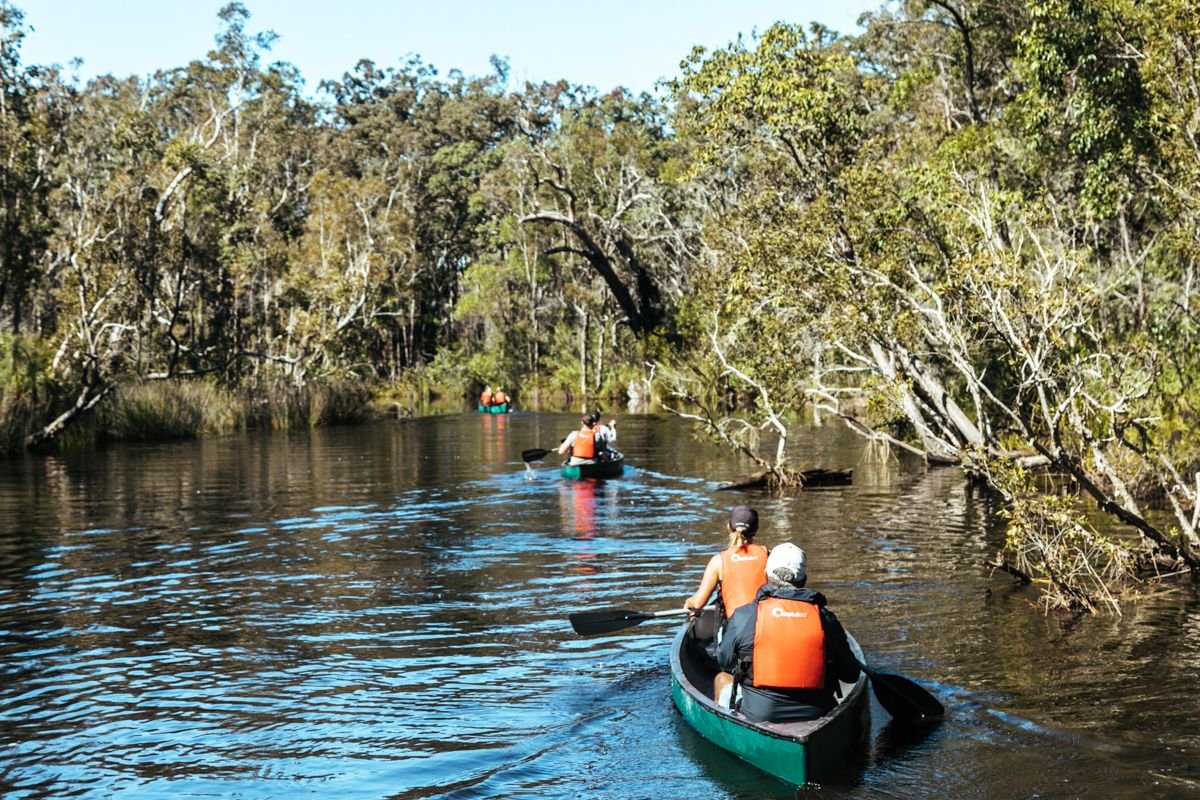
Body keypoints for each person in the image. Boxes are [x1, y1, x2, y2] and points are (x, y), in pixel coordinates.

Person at [714, 542, 861, 722]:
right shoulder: (826, 619)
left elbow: (724, 661)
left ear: (766, 575)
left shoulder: (743, 616)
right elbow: (851, 674)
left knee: (721, 679)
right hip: (818, 713)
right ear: (803, 580)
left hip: (759, 714)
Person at [684, 506, 769, 623]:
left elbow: (698, 603)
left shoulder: (718, 561)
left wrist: (689, 602)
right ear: (756, 529)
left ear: (728, 527)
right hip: (766, 625)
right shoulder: (769, 555)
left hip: (737, 628)